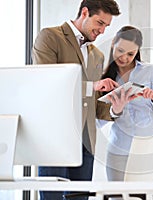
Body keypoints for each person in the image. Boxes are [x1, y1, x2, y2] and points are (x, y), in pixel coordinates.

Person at [31, 0, 120, 199]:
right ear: (85, 12)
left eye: (106, 26)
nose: (102, 31)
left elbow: (95, 105)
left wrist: (116, 107)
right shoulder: (50, 37)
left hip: (85, 142)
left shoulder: (96, 55)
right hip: (55, 138)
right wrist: (92, 86)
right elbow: (45, 84)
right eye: (99, 23)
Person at [101, 26, 153, 184]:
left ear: (137, 51)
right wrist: (115, 111)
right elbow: (97, 121)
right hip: (118, 152)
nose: (124, 58)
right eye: (120, 50)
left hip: (148, 150)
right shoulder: (104, 77)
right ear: (113, 44)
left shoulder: (149, 71)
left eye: (130, 54)